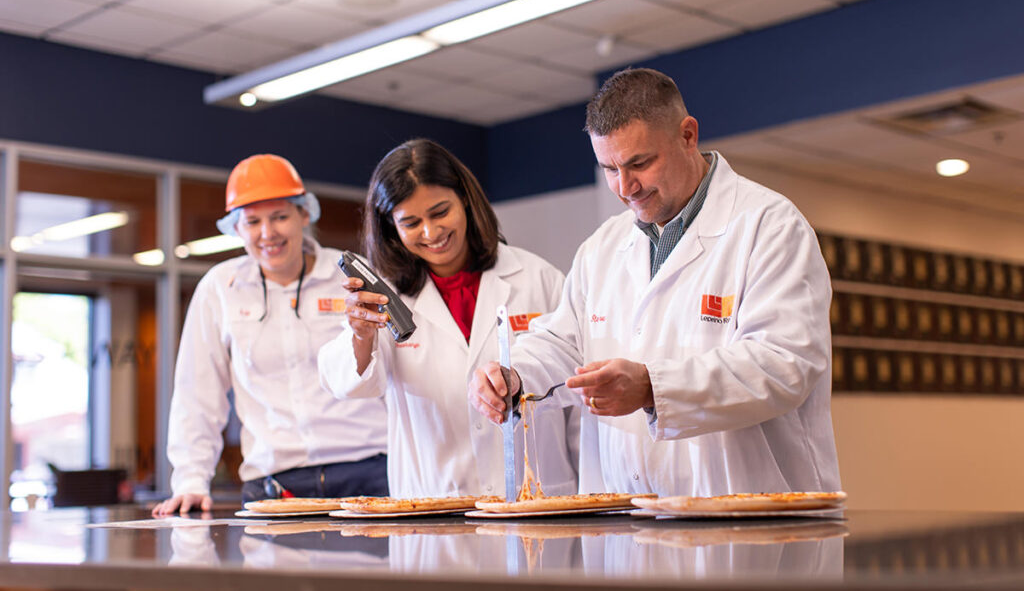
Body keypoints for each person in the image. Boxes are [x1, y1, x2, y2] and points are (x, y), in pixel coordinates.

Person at [469, 68, 840, 497]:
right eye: (609, 168)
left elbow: (784, 365)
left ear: (687, 135)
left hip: (750, 515)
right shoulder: (602, 247)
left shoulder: (769, 227)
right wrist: (515, 374)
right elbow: (564, 345)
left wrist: (652, 387)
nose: (625, 187)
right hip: (629, 519)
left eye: (639, 163)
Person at [318, 139, 578, 498]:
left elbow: (576, 393)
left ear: (467, 201)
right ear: (391, 227)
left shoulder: (538, 278)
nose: (431, 232)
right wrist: (361, 335)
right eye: (410, 222)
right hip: (433, 505)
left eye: (440, 212)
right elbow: (350, 384)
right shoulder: (382, 299)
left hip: (537, 500)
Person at [153, 154, 388, 516]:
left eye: (280, 216)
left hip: (371, 474)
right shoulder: (220, 287)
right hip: (276, 485)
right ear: (236, 228)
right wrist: (190, 480)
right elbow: (196, 394)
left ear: (304, 214)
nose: (268, 233)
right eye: (252, 221)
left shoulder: (352, 277)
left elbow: (393, 369)